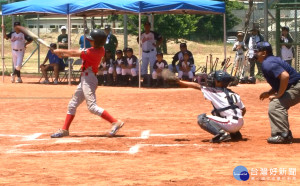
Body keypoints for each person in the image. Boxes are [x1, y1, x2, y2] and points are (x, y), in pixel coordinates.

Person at [50, 29, 124, 138]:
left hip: (89, 80)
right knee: (72, 104)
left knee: (92, 107)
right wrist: (62, 53)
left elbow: (74, 53)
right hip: (86, 78)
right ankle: (65, 129)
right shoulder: (100, 49)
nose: (90, 41)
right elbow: (76, 52)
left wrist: (59, 51)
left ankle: (115, 122)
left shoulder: (92, 52)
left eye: (92, 40)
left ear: (98, 42)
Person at [177, 70, 246, 143]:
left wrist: (180, 82)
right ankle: (235, 133)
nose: (212, 80)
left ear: (219, 82)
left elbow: (197, 86)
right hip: (240, 123)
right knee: (216, 112)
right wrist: (236, 124)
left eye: (214, 79)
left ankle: (221, 134)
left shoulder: (214, 91)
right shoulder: (233, 93)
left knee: (202, 118)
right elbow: (243, 110)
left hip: (230, 124)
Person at [257, 41, 300, 144]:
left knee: (276, 104)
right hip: (296, 85)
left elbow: (285, 76)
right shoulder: (271, 60)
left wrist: (279, 94)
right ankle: (284, 134)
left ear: (264, 53)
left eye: (257, 51)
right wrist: (270, 92)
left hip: (297, 86)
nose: (255, 53)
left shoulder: (268, 63)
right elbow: (281, 80)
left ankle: (282, 135)